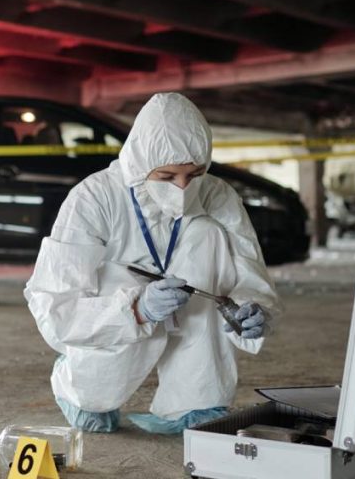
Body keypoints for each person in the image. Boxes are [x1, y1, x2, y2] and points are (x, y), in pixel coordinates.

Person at [24, 93, 280, 434]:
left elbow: (249, 268)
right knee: (95, 394)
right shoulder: (94, 198)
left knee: (209, 233)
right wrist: (136, 309)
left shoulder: (217, 195)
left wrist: (254, 308)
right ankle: (79, 385)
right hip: (115, 309)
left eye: (195, 174)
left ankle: (196, 398)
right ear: (140, 164)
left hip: (194, 306)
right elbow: (55, 302)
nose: (183, 188)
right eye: (167, 176)